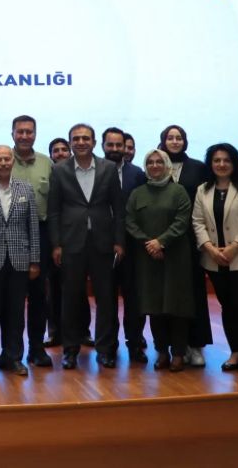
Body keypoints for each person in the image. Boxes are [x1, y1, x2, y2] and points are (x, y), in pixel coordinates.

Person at [49, 123, 124, 370]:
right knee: (70, 299)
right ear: (71, 142)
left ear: (93, 142)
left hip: (103, 242)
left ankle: (105, 350)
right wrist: (56, 244)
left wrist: (119, 241)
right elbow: (54, 210)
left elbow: (118, 208)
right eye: (76, 138)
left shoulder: (108, 168)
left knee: (106, 299)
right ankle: (70, 349)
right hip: (71, 243)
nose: (81, 142)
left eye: (85, 138)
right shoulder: (59, 170)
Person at [0, 115, 55, 368]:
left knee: (37, 297)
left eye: (29, 131)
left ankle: (36, 349)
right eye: (20, 131)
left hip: (37, 234)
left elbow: (55, 202)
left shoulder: (46, 163)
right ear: (12, 133)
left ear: (35, 134)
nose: (24, 136)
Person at [193, 143, 238, 374]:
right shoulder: (203, 190)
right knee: (228, 307)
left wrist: (233, 248)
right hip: (215, 259)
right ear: (210, 164)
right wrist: (210, 249)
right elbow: (197, 222)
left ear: (234, 163)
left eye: (226, 160)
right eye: (217, 160)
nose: (221, 164)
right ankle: (235, 351)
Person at [0, 145, 40, 376]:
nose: (3, 163)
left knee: (15, 313)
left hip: (20, 260)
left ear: (13, 161)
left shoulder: (25, 188)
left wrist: (35, 260)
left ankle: (13, 357)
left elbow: (33, 226)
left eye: (6, 159)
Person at [125, 150, 194, 372]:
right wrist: (150, 244)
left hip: (175, 256)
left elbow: (182, 220)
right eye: (150, 162)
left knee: (177, 306)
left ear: (166, 165)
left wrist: (161, 242)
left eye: (159, 162)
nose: (154, 166)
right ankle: (162, 351)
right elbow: (130, 221)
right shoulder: (137, 193)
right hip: (148, 258)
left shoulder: (179, 191)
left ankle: (179, 353)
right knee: (154, 306)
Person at [159, 124, 211, 367]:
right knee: (167, 295)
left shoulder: (198, 168)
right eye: (170, 138)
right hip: (162, 240)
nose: (174, 141)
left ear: (185, 141)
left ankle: (196, 345)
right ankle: (173, 346)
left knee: (194, 292)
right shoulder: (155, 165)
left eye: (179, 138)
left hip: (191, 240)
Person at [103, 126, 149, 363]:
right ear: (103, 146)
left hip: (132, 247)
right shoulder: (96, 171)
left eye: (118, 145)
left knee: (135, 300)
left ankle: (135, 344)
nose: (114, 149)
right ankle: (108, 347)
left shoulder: (137, 174)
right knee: (107, 300)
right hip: (102, 246)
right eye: (110, 145)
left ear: (125, 147)